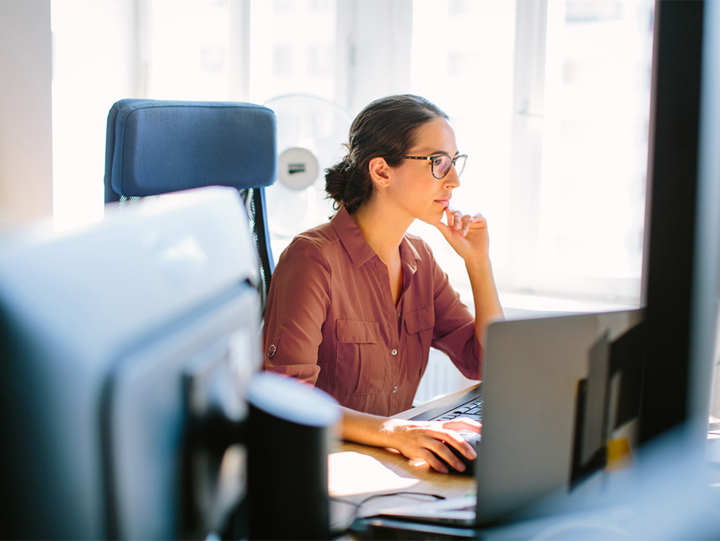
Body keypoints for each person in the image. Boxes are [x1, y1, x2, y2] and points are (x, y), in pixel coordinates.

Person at [263, 94, 503, 474]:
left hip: (389, 462)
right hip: (321, 469)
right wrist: (393, 430)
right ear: (381, 172)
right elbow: (288, 399)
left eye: (455, 163)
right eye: (438, 163)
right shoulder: (312, 260)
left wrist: (478, 262)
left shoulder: (420, 260)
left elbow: (487, 362)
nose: (454, 181)